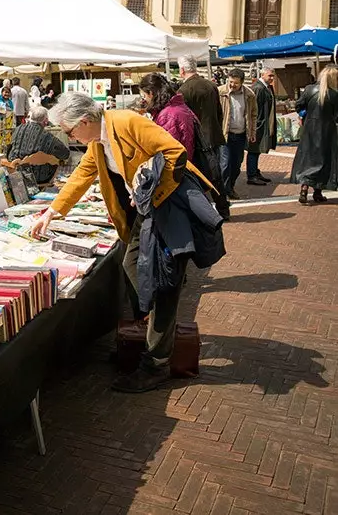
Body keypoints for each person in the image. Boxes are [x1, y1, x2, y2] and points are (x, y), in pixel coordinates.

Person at [30, 93, 222, 393]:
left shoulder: (126, 121)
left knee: (163, 285)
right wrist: (52, 212)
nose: (71, 138)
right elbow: (81, 175)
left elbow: (174, 152)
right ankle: (150, 333)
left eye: (69, 132)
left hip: (169, 207)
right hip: (148, 214)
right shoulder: (97, 141)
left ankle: (156, 363)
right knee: (135, 268)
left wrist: (149, 185)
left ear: (83, 121)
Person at [291, 65, 338, 204]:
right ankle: (318, 191)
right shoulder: (334, 94)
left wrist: (304, 116)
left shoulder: (309, 89)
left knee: (308, 158)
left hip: (310, 128)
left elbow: (299, 105)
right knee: (324, 159)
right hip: (327, 130)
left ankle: (304, 188)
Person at [139, 73, 198, 160]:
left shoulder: (167, 115)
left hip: (179, 167)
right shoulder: (177, 106)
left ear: (150, 93)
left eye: (144, 96)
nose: (144, 100)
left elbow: (168, 152)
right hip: (187, 163)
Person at [218, 69, 257, 199]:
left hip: (240, 134)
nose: (232, 85)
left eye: (235, 83)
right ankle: (223, 193)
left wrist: (252, 131)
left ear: (241, 82)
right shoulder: (220, 92)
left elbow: (253, 114)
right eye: (230, 82)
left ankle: (230, 187)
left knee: (236, 165)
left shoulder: (249, 94)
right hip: (225, 134)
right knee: (225, 164)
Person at [7, 105, 71, 185]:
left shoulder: (17, 129)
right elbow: (65, 154)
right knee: (54, 160)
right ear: (46, 121)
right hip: (38, 177)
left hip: (15, 173)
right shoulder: (47, 136)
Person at [178, 56, 225, 155]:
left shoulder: (184, 90)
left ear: (182, 70)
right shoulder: (211, 85)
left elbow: (184, 119)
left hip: (197, 141)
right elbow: (219, 112)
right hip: (213, 136)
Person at [246, 68, 277, 186]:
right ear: (263, 75)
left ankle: (255, 172)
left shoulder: (266, 87)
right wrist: (255, 125)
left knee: (258, 150)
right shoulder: (258, 88)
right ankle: (251, 175)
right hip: (258, 125)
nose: (272, 78)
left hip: (264, 123)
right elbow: (254, 109)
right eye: (270, 76)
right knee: (254, 150)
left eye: (273, 76)